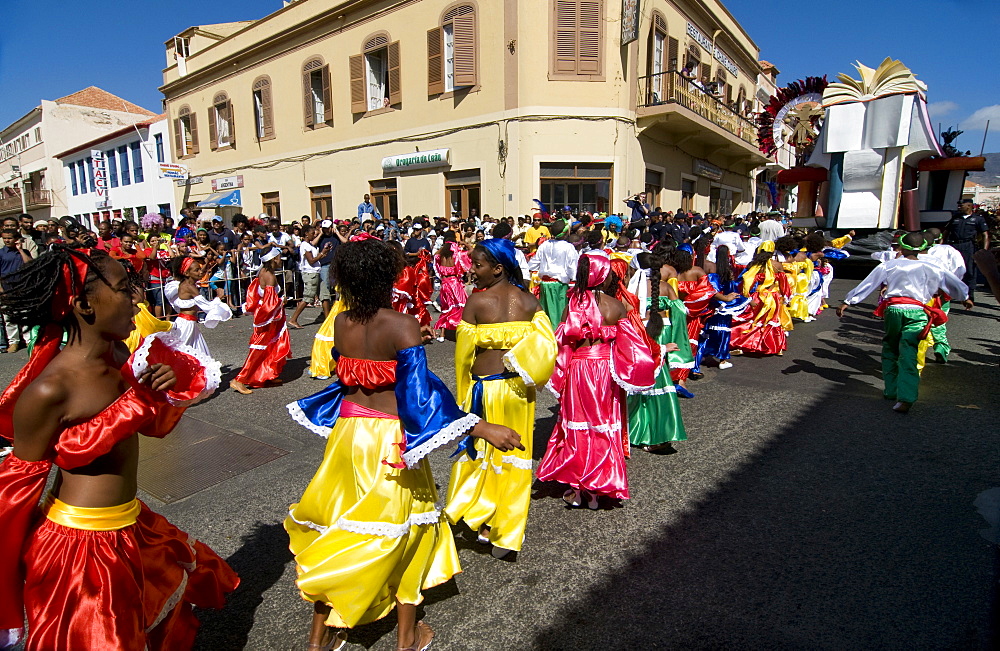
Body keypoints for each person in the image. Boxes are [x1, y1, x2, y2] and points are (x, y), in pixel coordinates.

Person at [283, 237, 521, 651]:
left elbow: (357, 376)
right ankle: (406, 637)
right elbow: (420, 397)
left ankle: (319, 637)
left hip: (347, 436)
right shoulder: (402, 324)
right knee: (408, 530)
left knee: (339, 526)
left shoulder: (341, 323)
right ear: (387, 278)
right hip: (391, 441)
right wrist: (482, 428)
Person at [0, 245, 237, 649]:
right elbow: (15, 493)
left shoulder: (119, 353)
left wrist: (163, 389)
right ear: (83, 304)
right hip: (80, 549)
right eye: (125, 288)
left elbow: (151, 427)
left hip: (130, 523)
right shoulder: (49, 390)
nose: (138, 297)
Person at [445, 238, 557, 558]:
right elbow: (546, 347)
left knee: (481, 454)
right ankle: (507, 535)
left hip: (484, 389)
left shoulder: (477, 303)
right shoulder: (530, 301)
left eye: (477, 265)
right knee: (515, 460)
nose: (472, 271)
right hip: (521, 393)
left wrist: (463, 394)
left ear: (497, 268)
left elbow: (463, 357)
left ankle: (480, 520)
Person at [536, 252, 659, 509]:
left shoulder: (573, 303)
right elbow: (632, 345)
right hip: (605, 370)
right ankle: (598, 486)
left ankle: (578, 486)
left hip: (579, 368)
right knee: (603, 423)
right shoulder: (616, 305)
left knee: (576, 423)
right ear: (604, 276)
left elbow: (562, 339)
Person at [837, 231, 971, 413]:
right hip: (918, 311)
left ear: (901, 246)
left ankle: (891, 390)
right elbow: (955, 285)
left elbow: (868, 283)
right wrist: (965, 297)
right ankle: (906, 395)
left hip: (894, 310)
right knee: (910, 350)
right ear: (924, 247)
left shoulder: (890, 265)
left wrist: (848, 301)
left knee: (890, 347)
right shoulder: (933, 266)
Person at [627, 251, 685, 453]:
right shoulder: (666, 287)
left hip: (638, 339)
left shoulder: (629, 291)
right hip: (661, 337)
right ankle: (656, 433)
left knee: (637, 384)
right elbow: (681, 313)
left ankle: (637, 431)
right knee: (659, 384)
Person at [230, 247, 292, 394]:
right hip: (267, 316)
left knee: (270, 345)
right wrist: (281, 301)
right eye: (278, 257)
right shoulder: (269, 276)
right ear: (273, 259)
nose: (280, 260)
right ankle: (239, 379)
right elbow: (270, 302)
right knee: (259, 347)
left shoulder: (263, 272)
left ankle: (266, 374)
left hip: (266, 313)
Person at [692, 245, 751, 373]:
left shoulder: (705, 267)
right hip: (724, 305)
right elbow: (731, 289)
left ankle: (704, 358)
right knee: (723, 334)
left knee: (706, 334)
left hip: (710, 305)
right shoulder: (727, 271)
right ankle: (722, 360)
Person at [163, 256, 233, 358]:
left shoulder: (189, 284)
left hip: (189, 322)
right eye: (197, 270)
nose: (201, 272)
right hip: (186, 324)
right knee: (181, 352)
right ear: (186, 273)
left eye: (200, 269)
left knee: (197, 351)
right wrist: (218, 297)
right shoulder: (189, 287)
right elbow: (206, 307)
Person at [729, 241, 790, 356]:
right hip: (773, 298)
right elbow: (784, 284)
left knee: (753, 320)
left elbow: (744, 281)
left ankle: (745, 343)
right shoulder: (777, 265)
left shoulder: (753, 264)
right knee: (770, 321)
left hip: (756, 297)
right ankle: (773, 346)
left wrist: (745, 296)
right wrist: (786, 298)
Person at [529, 219, 578, 326]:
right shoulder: (568, 247)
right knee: (559, 315)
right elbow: (572, 269)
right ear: (566, 233)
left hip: (544, 285)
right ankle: (557, 339)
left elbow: (533, 265)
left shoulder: (544, 245)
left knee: (546, 316)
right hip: (560, 286)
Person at [944, 198, 989, 301]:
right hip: (955, 245)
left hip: (968, 246)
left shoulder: (978, 219)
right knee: (953, 269)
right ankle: (953, 293)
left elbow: (985, 234)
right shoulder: (955, 218)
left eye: (961, 205)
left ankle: (970, 294)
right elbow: (946, 232)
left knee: (970, 270)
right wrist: (941, 245)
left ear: (969, 206)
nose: (959, 207)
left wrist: (984, 250)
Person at [289, 225, 331, 328]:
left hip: (316, 272)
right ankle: (293, 319)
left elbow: (316, 258)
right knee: (308, 297)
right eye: (313, 233)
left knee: (325, 295)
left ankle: (327, 319)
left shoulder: (311, 245)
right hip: (310, 273)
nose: (314, 235)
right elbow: (311, 261)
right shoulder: (305, 245)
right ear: (306, 234)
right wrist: (322, 253)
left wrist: (324, 253)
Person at [432, 233, 471, 340]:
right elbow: (471, 251)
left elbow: (435, 255)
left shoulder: (441, 256)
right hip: (454, 284)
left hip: (444, 284)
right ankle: (461, 331)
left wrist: (444, 246)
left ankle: (442, 334)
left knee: (446, 308)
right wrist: (465, 244)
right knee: (461, 307)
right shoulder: (456, 255)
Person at [0, 229, 32, 353]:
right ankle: (13, 342)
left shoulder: (23, 252)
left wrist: (20, 249)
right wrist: (2, 291)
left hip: (22, 288)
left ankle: (29, 339)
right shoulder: (1, 253)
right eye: (5, 238)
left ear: (16, 239)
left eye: (10, 238)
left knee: (25, 314)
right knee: (9, 317)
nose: (7, 240)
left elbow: (30, 264)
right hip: (7, 288)